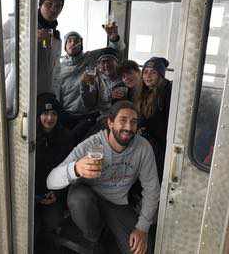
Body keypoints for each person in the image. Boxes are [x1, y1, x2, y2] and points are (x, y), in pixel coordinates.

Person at [47, 101, 160, 254]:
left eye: (133, 122)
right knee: (79, 199)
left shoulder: (143, 147)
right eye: (123, 120)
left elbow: (152, 190)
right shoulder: (91, 144)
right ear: (110, 123)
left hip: (117, 202)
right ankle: (93, 236)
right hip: (88, 196)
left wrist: (142, 228)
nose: (128, 127)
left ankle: (107, 231)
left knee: (142, 251)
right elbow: (51, 181)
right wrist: (76, 168)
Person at [58, 26, 121, 130]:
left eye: (76, 41)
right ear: (64, 46)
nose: (73, 43)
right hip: (67, 114)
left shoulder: (90, 57)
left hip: (89, 115)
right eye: (69, 41)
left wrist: (114, 38)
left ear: (81, 44)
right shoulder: (59, 67)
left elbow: (112, 51)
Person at [34, 93, 75, 252]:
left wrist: (56, 195)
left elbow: (69, 171)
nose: (49, 118)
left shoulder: (66, 137)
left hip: (54, 193)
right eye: (45, 113)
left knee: (53, 222)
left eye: (53, 114)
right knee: (32, 225)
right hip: (32, 193)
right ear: (38, 115)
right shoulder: (29, 136)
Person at [136, 57, 172, 182]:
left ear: (161, 75)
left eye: (153, 72)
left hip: (161, 143)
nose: (148, 76)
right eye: (145, 72)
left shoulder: (167, 90)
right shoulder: (144, 93)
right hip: (148, 138)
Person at [81, 48, 127, 116]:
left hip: (120, 116)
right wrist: (84, 86)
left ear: (117, 62)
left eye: (109, 61)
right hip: (101, 116)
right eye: (103, 62)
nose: (106, 65)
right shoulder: (95, 79)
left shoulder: (125, 77)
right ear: (98, 65)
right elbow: (89, 104)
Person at [37, 0, 64, 94]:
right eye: (49, 4)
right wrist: (29, 39)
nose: (54, 9)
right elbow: (2, 53)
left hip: (45, 95)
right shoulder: (21, 24)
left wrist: (54, 96)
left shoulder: (56, 37)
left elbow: (56, 70)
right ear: (40, 5)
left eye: (58, 6)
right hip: (20, 96)